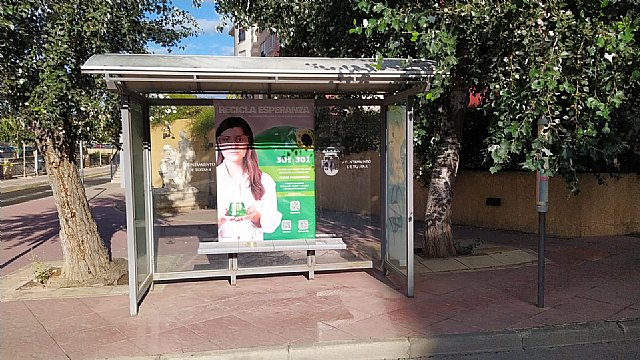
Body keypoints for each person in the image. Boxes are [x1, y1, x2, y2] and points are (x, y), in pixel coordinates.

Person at [215, 116, 282, 241]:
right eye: (226, 139)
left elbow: (272, 224)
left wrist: (256, 217)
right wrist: (221, 219)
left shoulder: (264, 180)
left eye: (239, 139)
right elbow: (201, 226)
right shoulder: (214, 180)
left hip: (253, 252)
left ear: (248, 142)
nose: (233, 145)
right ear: (219, 143)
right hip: (221, 252)